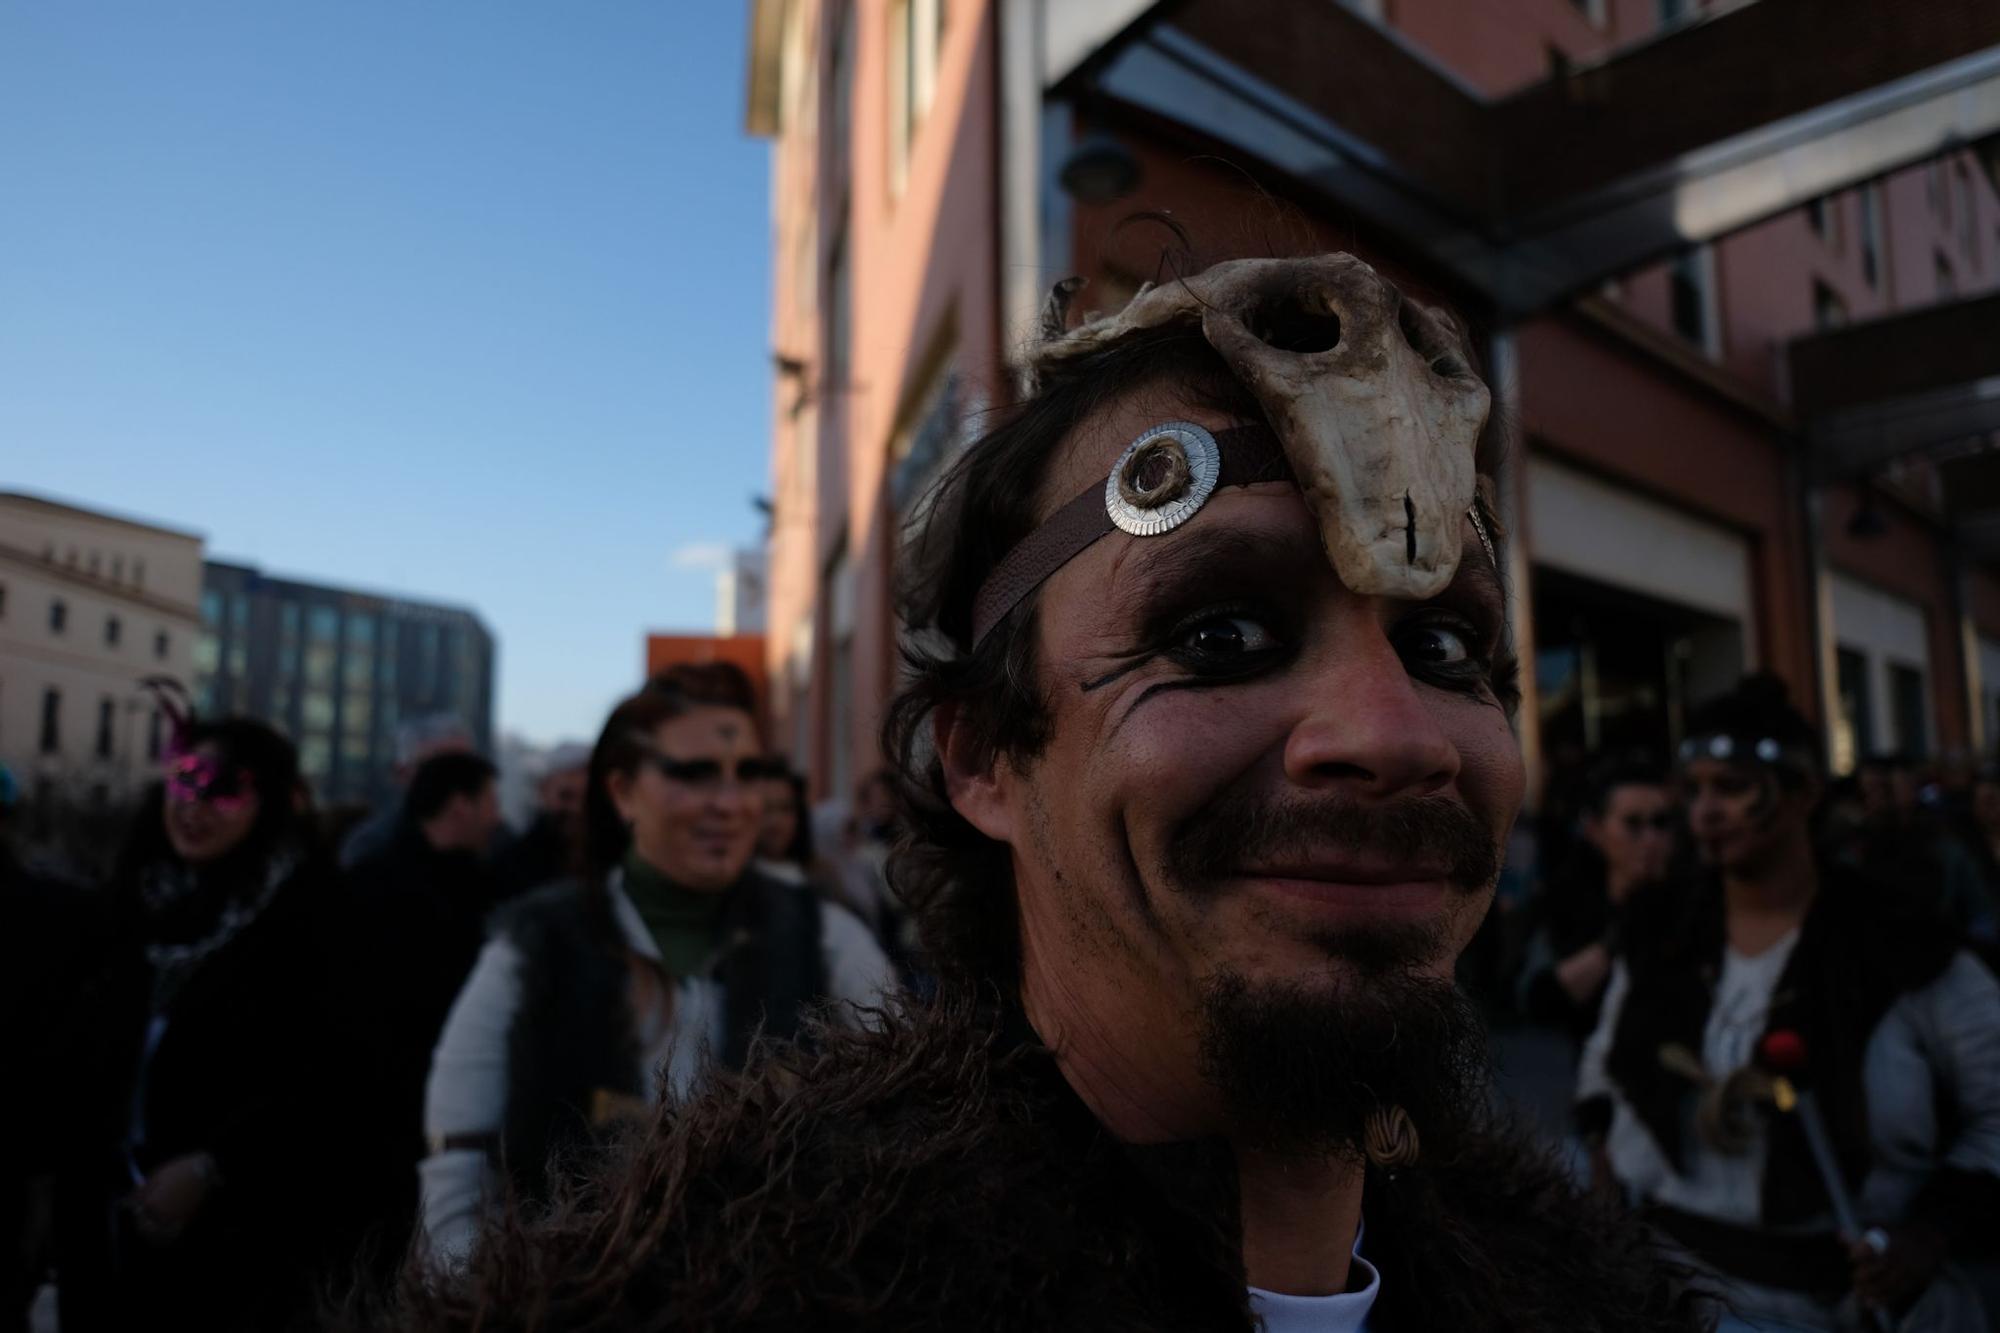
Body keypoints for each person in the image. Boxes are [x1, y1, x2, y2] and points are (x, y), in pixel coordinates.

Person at [376, 254, 1696, 1330]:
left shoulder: (1583, 1295)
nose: (1393, 733)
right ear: (983, 759)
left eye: (1444, 647)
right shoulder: (721, 1294)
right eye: (1219, 636)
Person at [413, 663, 897, 1268]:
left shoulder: (828, 939)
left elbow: (903, 1137)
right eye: (693, 775)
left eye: (746, 774)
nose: (728, 803)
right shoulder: (532, 945)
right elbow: (459, 1172)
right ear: (622, 792)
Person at [1578, 676, 2000, 1331]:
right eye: (1694, 790)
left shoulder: (1901, 946)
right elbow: (1604, 1069)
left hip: (1830, 1307)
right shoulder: (1661, 934)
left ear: (1802, 792)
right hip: (1656, 1290)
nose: (1706, 812)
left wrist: (1928, 1233)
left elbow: (1995, 1112)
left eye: (1734, 786)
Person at [57, 717, 340, 1331]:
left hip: (235, 1253)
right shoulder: (131, 901)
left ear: (265, 802)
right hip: (103, 1230)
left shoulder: (306, 919)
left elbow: (318, 1075)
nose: (195, 806)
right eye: (185, 780)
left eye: (224, 789)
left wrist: (216, 1167)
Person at [324, 752, 506, 1283]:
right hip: (387, 1137)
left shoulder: (463, 885)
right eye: (490, 801)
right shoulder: (387, 889)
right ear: (459, 806)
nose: (497, 817)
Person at [1521, 756, 1675, 1042]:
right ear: (1595, 829)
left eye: (1661, 823)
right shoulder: (1569, 903)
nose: (1651, 839)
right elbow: (1540, 998)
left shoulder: (1697, 902)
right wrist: (1616, 939)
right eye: (1634, 824)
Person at [340, 715, 475, 870]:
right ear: (403, 773)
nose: (455, 780)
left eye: (467, 770)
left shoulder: (492, 844)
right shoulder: (373, 846)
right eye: (439, 769)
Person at [491, 743, 590, 902]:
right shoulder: (514, 865)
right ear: (543, 792)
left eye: (588, 798)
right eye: (566, 796)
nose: (578, 808)